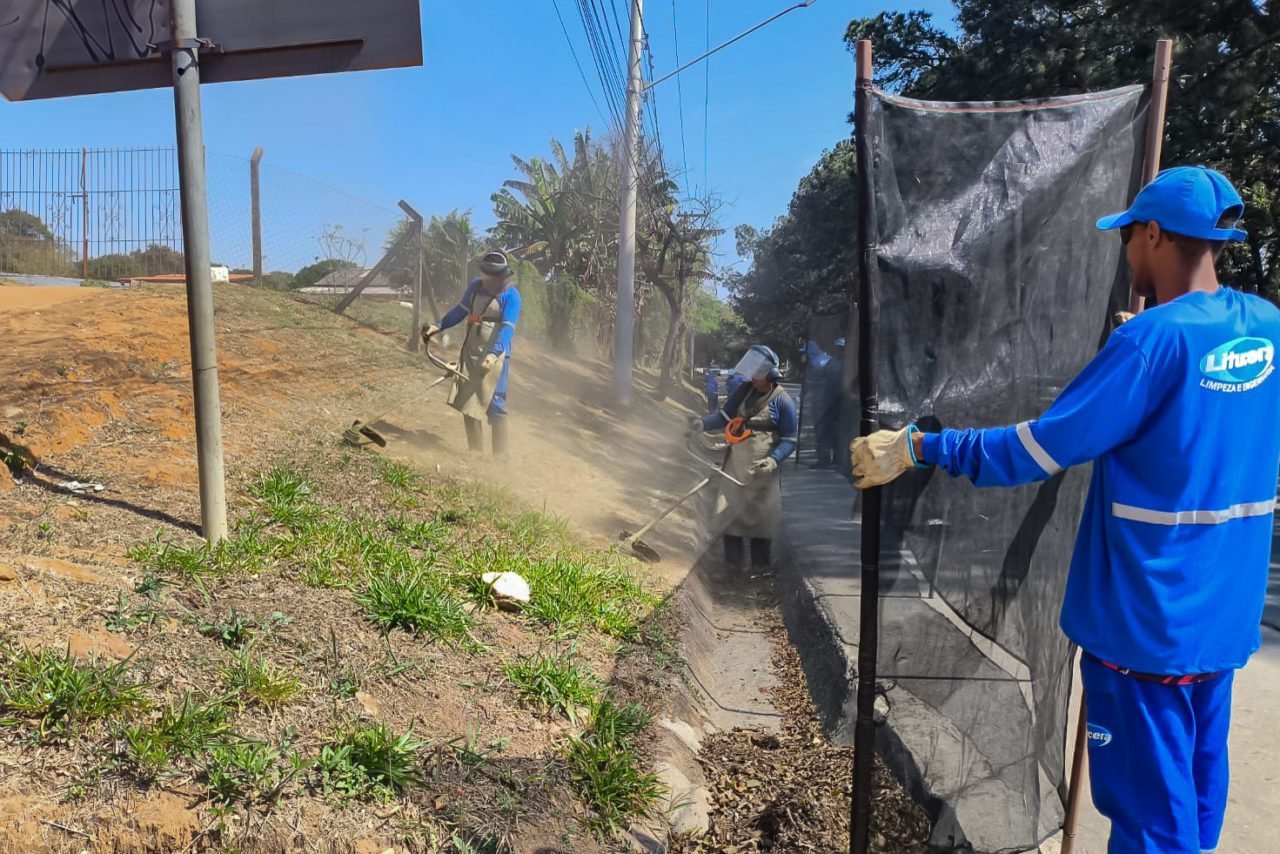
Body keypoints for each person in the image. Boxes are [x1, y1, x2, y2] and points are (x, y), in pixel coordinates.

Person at [850, 166, 1279, 854]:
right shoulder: (1266, 327)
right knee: (1192, 811)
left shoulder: (1150, 343)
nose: (1125, 254)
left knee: (1148, 828)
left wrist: (923, 446)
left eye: (1129, 239)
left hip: (1145, 627)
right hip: (1219, 626)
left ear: (1154, 233)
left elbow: (1038, 449)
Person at [692, 345, 798, 571]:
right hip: (735, 466)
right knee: (729, 515)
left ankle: (760, 568)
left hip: (763, 472)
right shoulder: (743, 391)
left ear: (770, 375)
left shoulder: (784, 402)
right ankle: (732, 566)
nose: (753, 378)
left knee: (761, 520)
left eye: (758, 374)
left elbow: (790, 439)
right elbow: (723, 417)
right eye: (753, 373)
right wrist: (701, 424)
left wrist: (773, 460)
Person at [422, 251, 522, 456]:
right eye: (487, 275)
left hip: (496, 357)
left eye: (495, 277)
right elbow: (460, 311)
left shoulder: (511, 295)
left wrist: (493, 355)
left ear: (503, 276)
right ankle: (475, 451)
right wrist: (438, 326)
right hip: (471, 351)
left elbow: (507, 328)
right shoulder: (476, 287)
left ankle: (501, 457)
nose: (490, 280)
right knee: (468, 400)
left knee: (495, 403)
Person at [812, 337, 846, 469]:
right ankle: (824, 459)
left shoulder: (847, 364)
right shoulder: (830, 362)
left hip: (840, 404)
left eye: (841, 348)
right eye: (838, 348)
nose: (839, 350)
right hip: (827, 402)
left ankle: (837, 460)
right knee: (823, 431)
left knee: (836, 432)